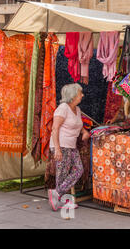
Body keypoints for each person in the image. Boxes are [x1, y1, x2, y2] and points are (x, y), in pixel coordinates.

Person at [47, 83, 91, 211]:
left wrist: (84, 132)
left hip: (71, 145)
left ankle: (56, 193)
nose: (82, 95)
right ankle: (58, 199)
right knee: (62, 173)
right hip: (61, 144)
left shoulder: (77, 109)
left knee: (78, 169)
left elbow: (77, 123)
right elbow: (55, 128)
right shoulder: (63, 108)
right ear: (72, 96)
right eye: (80, 93)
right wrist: (57, 149)